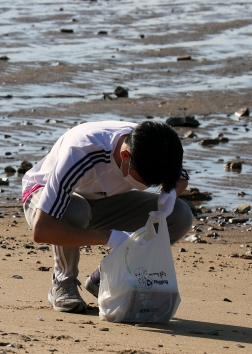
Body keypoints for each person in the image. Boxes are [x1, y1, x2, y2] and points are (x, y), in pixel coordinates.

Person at [22, 120, 193, 313]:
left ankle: (104, 279)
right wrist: (112, 238)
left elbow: (180, 177)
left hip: (105, 200)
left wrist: (170, 194)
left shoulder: (154, 144)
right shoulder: (81, 151)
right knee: (76, 211)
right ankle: (63, 282)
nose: (149, 185)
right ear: (125, 156)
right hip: (46, 198)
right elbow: (43, 229)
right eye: (146, 181)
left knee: (180, 215)